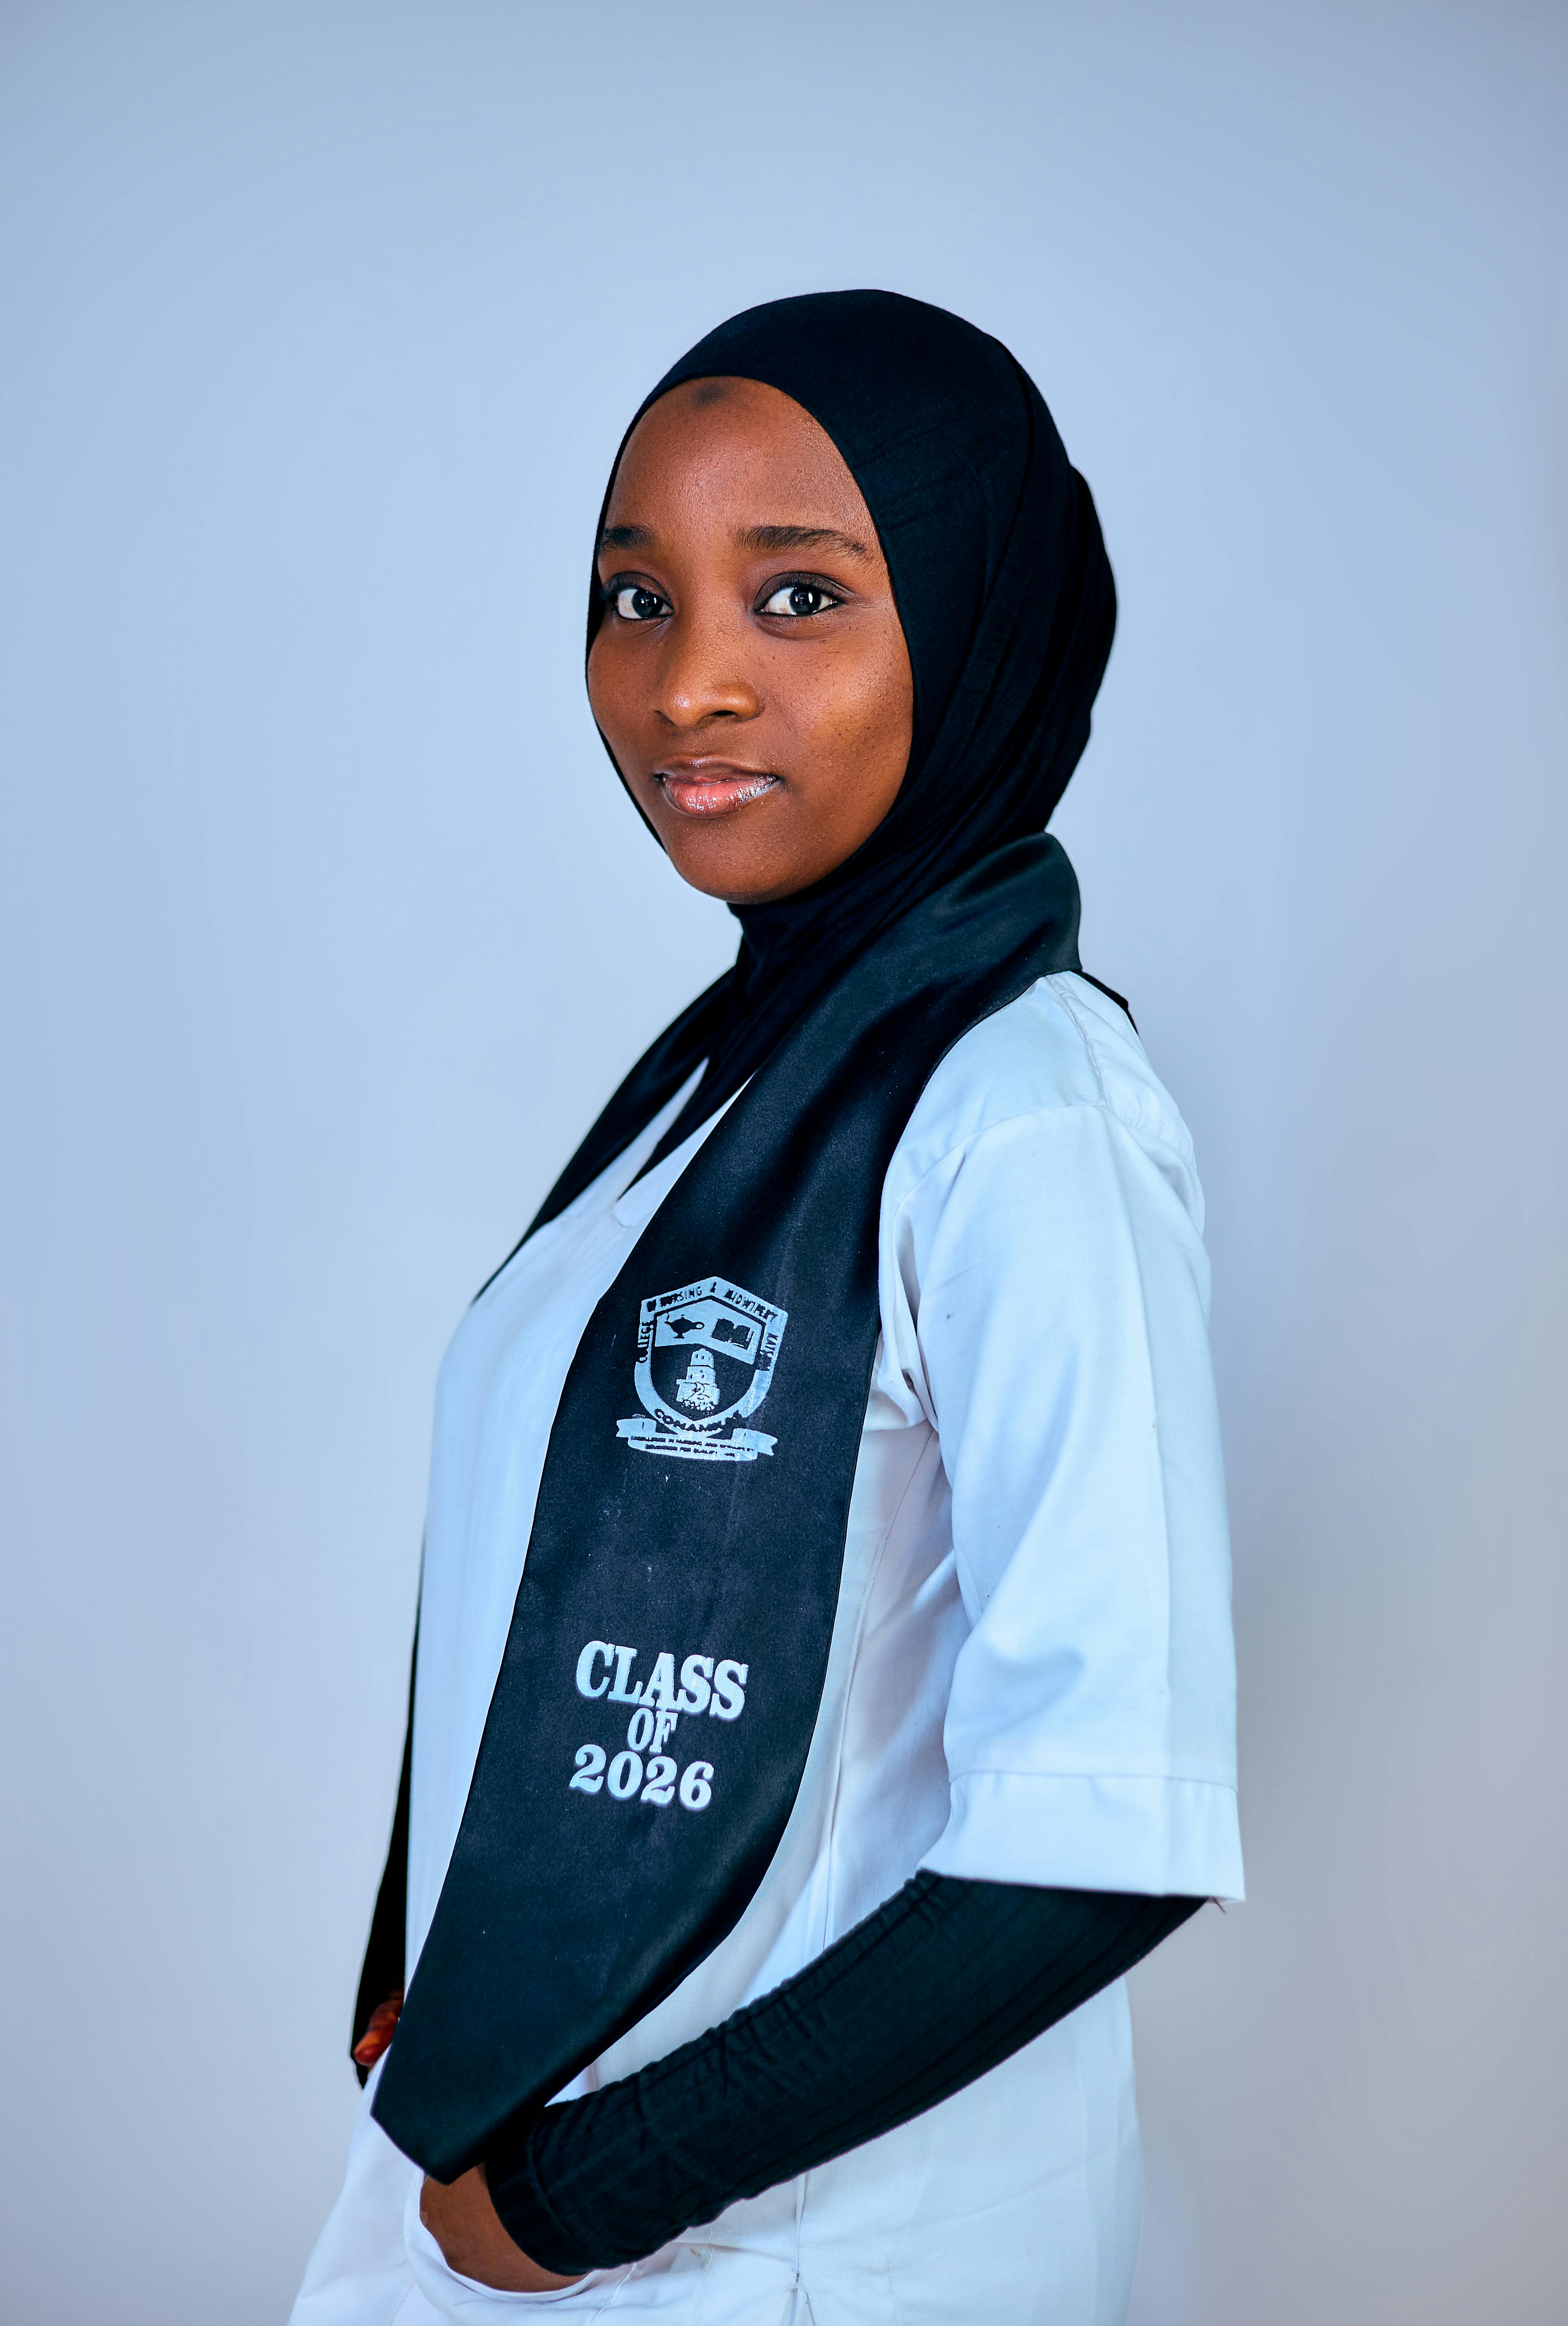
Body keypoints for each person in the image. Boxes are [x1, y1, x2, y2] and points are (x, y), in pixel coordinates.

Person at [290, 289, 1243, 2326]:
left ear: (980, 617)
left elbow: (1109, 1823)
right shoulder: (728, 1075)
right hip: (529, 2191)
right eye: (636, 600)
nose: (688, 685)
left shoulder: (1026, 1107)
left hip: (789, 2253)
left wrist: (588, 2194)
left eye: (798, 594)